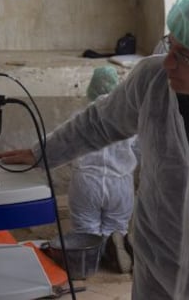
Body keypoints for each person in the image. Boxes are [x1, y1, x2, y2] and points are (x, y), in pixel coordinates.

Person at [0, 0, 189, 299]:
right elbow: (98, 123)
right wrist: (42, 152)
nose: (168, 62)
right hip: (156, 265)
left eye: (185, 55)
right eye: (170, 44)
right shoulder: (152, 82)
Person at [62, 66, 139, 274]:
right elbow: (139, 150)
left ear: (91, 89)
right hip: (121, 181)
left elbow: (66, 147)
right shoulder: (129, 118)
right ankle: (119, 246)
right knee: (116, 226)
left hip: (86, 180)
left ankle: (91, 262)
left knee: (85, 229)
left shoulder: (80, 116)